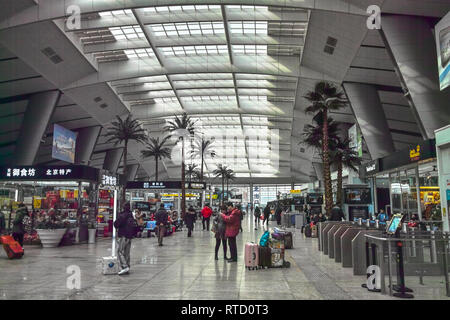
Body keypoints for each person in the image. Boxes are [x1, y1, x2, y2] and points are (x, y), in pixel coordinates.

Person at [113, 202, 136, 275]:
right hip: (129, 236)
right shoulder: (131, 215)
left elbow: (116, 224)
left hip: (123, 235)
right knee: (126, 252)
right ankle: (127, 267)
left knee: (119, 251)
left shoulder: (122, 215)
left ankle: (124, 266)